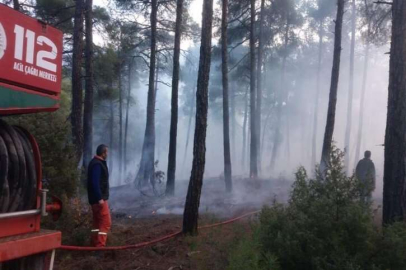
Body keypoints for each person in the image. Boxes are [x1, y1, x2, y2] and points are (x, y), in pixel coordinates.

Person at [87, 144, 111, 247]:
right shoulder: (97, 164)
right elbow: (95, 183)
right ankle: (100, 247)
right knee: (106, 222)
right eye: (107, 152)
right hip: (99, 199)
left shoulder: (96, 163)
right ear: (103, 153)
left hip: (95, 199)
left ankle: (94, 244)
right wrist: (100, 198)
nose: (108, 154)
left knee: (97, 223)